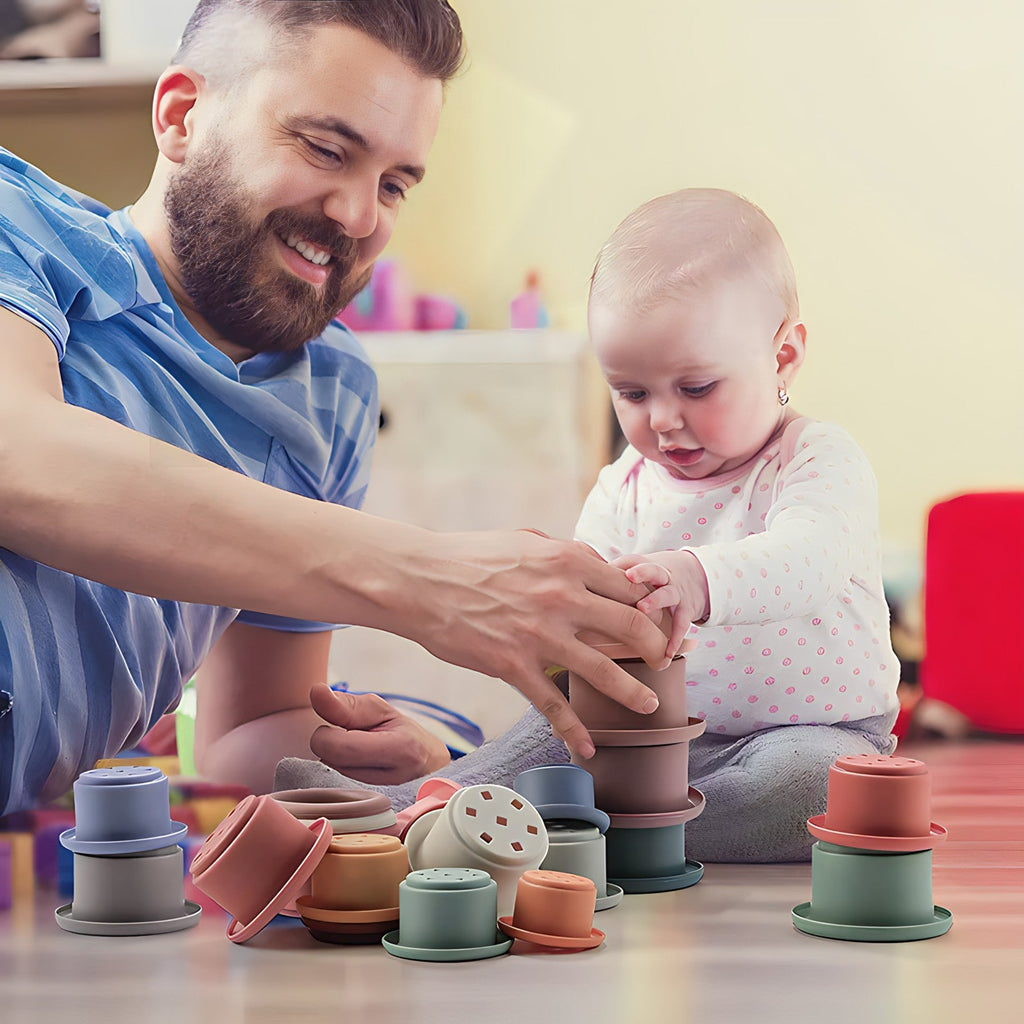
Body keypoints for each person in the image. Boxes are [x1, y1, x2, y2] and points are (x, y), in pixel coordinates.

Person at [0, 0, 672, 819]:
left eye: (394, 185)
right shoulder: (19, 225)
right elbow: (20, 456)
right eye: (325, 148)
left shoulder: (330, 391)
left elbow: (243, 732)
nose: (359, 216)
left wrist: (401, 755)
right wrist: (428, 580)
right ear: (182, 116)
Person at [286, 188, 900, 863]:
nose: (662, 420)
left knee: (815, 790)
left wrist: (694, 578)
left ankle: (584, 833)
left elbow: (807, 561)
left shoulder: (815, 459)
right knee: (556, 725)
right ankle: (413, 805)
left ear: (782, 357)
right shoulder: (624, 485)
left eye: (696, 388)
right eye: (632, 393)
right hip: (646, 732)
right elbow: (578, 616)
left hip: (806, 732)